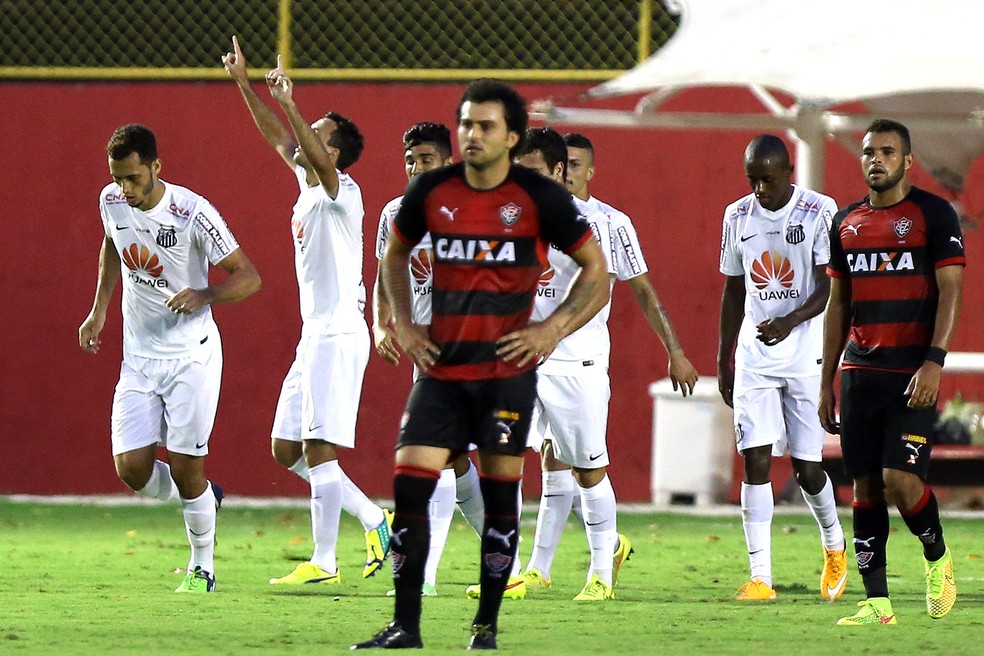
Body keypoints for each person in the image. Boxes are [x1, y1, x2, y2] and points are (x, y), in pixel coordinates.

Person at [353, 79, 610, 650]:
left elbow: (597, 271)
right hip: (442, 373)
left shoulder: (540, 201)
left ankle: (485, 627)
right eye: (466, 123)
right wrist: (403, 321)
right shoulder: (430, 191)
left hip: (504, 378)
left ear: (512, 136)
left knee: (500, 504)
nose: (472, 134)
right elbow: (394, 254)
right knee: (409, 488)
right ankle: (406, 626)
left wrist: (551, 329)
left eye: (485, 125)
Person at [223, 37, 392, 585]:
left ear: (333, 152)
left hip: (339, 332)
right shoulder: (309, 184)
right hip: (314, 334)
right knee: (284, 447)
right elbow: (281, 141)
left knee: (318, 447)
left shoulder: (345, 192)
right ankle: (373, 518)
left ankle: (323, 561)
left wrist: (293, 102)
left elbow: (308, 152)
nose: (302, 138)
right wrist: (246, 86)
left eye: (316, 134)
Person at [79, 124, 261, 592]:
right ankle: (202, 497)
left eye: (134, 177)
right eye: (118, 177)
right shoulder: (111, 201)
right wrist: (98, 311)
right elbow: (111, 245)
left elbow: (249, 276)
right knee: (131, 469)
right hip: (138, 357)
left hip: (190, 358)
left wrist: (205, 293)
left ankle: (203, 567)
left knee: (186, 467)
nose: (125, 188)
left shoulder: (192, 212)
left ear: (156, 167)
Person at [518, 130, 699, 600]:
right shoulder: (523, 218)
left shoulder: (607, 224)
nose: (570, 171)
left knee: (588, 469)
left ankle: (601, 571)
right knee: (548, 460)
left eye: (576, 164)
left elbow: (641, 290)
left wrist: (675, 350)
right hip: (527, 358)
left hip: (577, 360)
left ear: (582, 170)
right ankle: (538, 567)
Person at [820, 119, 965, 625]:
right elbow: (838, 303)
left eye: (886, 151)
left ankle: (937, 559)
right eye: (868, 152)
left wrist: (935, 359)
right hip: (861, 372)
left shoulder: (933, 213)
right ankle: (877, 603)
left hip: (912, 374)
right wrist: (826, 381)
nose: (875, 160)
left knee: (900, 481)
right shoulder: (844, 223)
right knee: (863, 486)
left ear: (907, 160)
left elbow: (951, 289)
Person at [717, 134, 847, 603]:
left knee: (808, 468)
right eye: (752, 180)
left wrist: (790, 321)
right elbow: (733, 290)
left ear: (788, 172)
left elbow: (830, 288)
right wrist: (724, 356)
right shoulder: (736, 215)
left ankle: (834, 545)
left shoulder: (818, 211)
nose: (758, 190)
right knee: (754, 460)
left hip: (804, 353)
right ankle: (760, 577)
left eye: (767, 181)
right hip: (755, 354)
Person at [372, 122, 489, 597]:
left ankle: (421, 578)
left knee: (434, 456)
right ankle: (513, 552)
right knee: (455, 461)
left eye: (424, 159)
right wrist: (382, 323)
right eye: (409, 159)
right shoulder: (394, 214)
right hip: (428, 354)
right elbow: (386, 273)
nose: (415, 167)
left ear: (446, 163)